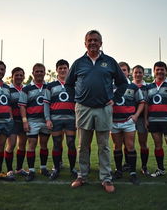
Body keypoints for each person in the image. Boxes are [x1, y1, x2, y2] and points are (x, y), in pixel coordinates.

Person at [66, 30, 127, 193]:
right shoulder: (79, 63)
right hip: (83, 109)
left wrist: (114, 98)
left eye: (96, 40)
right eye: (90, 40)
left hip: (103, 109)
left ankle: (106, 178)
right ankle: (82, 175)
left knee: (104, 146)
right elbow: (68, 84)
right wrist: (76, 99)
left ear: (101, 43)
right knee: (83, 146)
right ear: (85, 43)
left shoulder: (110, 61)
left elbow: (123, 83)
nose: (93, 43)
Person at [145, 61, 167, 179]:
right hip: (154, 121)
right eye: (157, 69)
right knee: (157, 145)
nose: (160, 71)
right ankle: (160, 169)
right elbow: (146, 104)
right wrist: (146, 119)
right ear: (154, 71)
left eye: (162, 69)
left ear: (166, 71)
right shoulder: (149, 87)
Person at [44, 59, 77, 180]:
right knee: (57, 143)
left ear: (68, 70)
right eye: (60, 68)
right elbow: (46, 104)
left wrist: (77, 119)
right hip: (56, 119)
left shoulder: (74, 85)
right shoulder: (50, 86)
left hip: (71, 119)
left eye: (65, 68)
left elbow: (78, 103)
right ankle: (56, 168)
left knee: (71, 143)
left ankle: (73, 169)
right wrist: (48, 119)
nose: (63, 70)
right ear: (56, 70)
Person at [111, 65, 145, 184]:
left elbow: (141, 102)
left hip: (128, 122)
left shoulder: (133, 87)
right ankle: (119, 171)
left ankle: (132, 173)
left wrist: (136, 116)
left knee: (130, 146)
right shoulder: (110, 86)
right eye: (119, 70)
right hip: (114, 122)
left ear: (128, 72)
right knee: (117, 146)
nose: (122, 72)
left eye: (124, 70)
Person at [18, 63, 51, 181]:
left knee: (44, 144)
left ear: (44, 73)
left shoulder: (49, 87)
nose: (39, 73)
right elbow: (22, 106)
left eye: (41, 71)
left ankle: (43, 168)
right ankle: (31, 170)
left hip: (45, 121)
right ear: (33, 73)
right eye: (37, 71)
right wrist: (25, 121)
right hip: (32, 121)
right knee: (31, 144)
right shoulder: (26, 88)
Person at [5, 67, 28, 179]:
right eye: (16, 75)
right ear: (12, 76)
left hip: (23, 121)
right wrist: (10, 119)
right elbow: (7, 105)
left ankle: (19, 169)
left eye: (21, 75)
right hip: (13, 121)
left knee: (22, 145)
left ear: (24, 76)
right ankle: (9, 170)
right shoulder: (8, 89)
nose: (19, 77)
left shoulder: (26, 89)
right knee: (11, 144)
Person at [132, 65, 150, 176]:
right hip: (129, 118)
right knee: (129, 143)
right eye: (136, 72)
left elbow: (146, 104)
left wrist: (146, 119)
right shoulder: (128, 86)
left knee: (143, 142)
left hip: (142, 118)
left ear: (143, 74)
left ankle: (144, 166)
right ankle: (128, 164)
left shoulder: (147, 87)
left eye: (140, 72)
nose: (138, 74)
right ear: (132, 74)